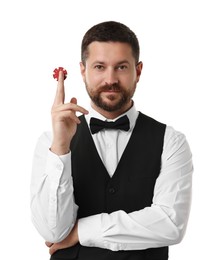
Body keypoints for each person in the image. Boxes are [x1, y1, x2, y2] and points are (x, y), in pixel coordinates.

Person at [30, 21, 193, 260]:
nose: (110, 79)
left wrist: (81, 231)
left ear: (138, 71)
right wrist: (61, 149)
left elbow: (171, 224)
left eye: (121, 67)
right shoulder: (49, 142)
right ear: (83, 70)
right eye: (99, 67)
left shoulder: (171, 141)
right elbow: (52, 230)